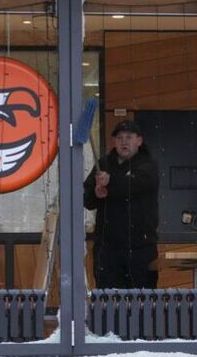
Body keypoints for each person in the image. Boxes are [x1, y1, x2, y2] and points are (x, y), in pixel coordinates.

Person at [83, 119, 160, 288]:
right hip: (107, 249)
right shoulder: (103, 165)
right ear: (114, 141)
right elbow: (86, 199)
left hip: (140, 248)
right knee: (108, 303)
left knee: (141, 302)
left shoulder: (148, 166)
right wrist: (96, 193)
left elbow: (134, 185)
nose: (124, 142)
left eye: (129, 137)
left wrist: (111, 182)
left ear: (139, 141)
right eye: (119, 138)